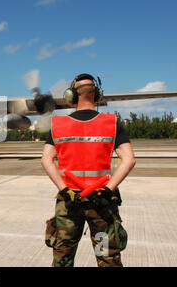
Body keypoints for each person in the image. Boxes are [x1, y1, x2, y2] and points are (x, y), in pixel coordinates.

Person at [41, 73, 136, 267]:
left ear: (71, 97)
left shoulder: (59, 125)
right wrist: (109, 188)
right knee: (106, 256)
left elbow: (46, 160)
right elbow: (129, 159)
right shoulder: (111, 123)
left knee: (63, 258)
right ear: (97, 95)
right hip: (101, 202)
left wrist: (64, 189)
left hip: (70, 202)